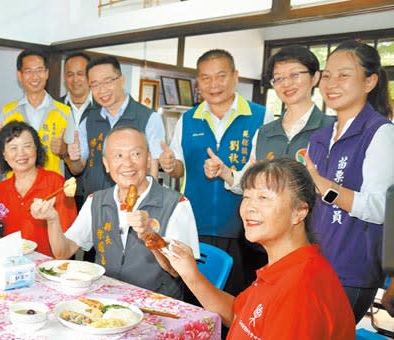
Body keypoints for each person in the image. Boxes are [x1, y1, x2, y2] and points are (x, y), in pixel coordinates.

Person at [78, 158, 354, 340]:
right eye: (246, 196)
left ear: (300, 212)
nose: (249, 207)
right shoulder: (287, 267)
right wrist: (190, 274)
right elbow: (239, 314)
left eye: (264, 197)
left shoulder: (302, 288)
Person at [32, 125, 199, 299]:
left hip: (155, 304)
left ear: (148, 159)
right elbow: (63, 252)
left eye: (136, 154)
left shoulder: (177, 204)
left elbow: (177, 272)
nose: (127, 163)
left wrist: (151, 236)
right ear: (106, 164)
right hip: (104, 301)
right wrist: (52, 220)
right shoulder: (95, 201)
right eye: (118, 155)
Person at [159, 49, 273, 295]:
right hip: (194, 225)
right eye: (206, 78)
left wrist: (227, 171)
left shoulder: (261, 117)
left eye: (221, 76)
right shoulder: (188, 119)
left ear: (235, 76)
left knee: (236, 300)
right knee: (191, 296)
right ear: (198, 82)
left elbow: (268, 175)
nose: (214, 85)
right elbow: (179, 168)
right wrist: (170, 165)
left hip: (243, 228)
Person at [304, 40, 394, 323]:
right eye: (327, 75)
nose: (331, 83)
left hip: (350, 272)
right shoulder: (320, 136)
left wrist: (323, 186)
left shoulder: (380, 133)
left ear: (370, 81)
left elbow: (380, 208)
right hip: (312, 263)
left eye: (344, 75)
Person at [205, 45, 334, 193]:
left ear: (315, 77)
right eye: (278, 78)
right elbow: (250, 181)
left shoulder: (332, 129)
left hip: (314, 215)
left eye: (295, 75)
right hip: (269, 215)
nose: (286, 83)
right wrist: (225, 172)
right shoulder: (264, 132)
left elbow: (341, 192)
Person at [0, 121, 76, 257]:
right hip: (12, 263)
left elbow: (68, 244)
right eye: (13, 147)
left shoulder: (57, 184)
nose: (21, 153)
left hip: (49, 267)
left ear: (36, 149)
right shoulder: (0, 190)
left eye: (27, 146)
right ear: (4, 154)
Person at [68, 56, 165, 198]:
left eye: (107, 81)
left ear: (122, 80)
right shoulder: (88, 119)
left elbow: (153, 171)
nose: (102, 90)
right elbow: (78, 169)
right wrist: (73, 158)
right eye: (94, 85)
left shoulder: (148, 118)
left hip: (133, 204)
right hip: (95, 204)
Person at [0, 50, 75, 177]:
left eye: (39, 70)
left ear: (47, 73)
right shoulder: (8, 112)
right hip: (17, 189)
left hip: (51, 190)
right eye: (28, 71)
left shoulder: (64, 112)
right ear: (19, 75)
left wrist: (64, 151)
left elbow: (75, 165)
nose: (34, 76)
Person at [58, 52, 99, 213]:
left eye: (80, 74)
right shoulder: (54, 107)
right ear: (64, 77)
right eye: (70, 74)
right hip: (61, 191)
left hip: (95, 192)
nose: (75, 80)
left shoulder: (104, 109)